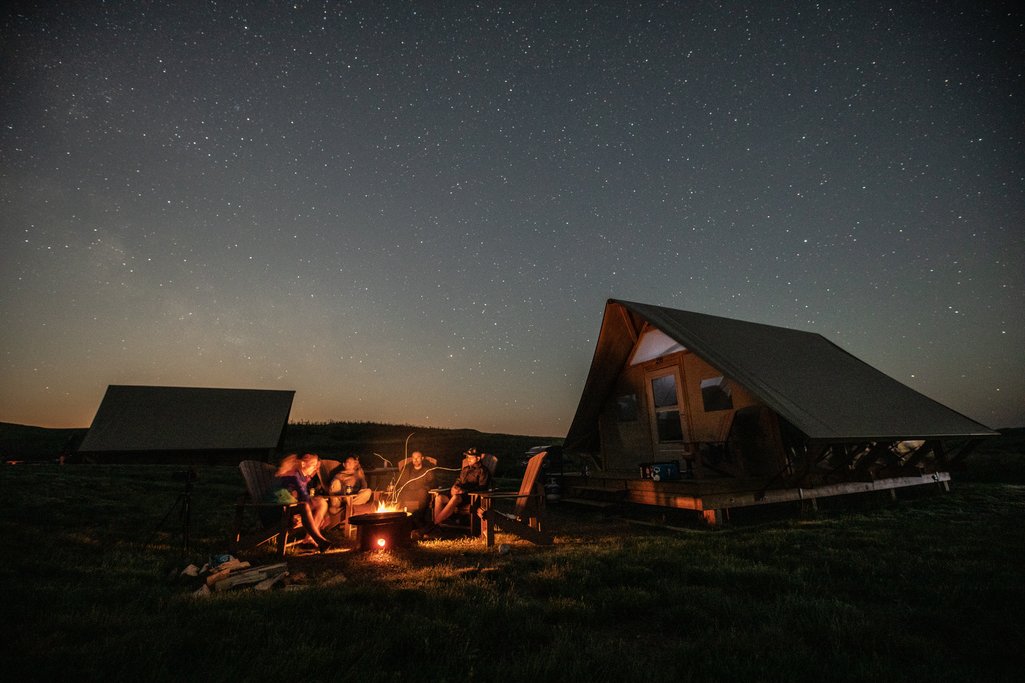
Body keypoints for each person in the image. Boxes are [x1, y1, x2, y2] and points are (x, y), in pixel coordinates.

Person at [263, 453, 334, 552]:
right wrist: (323, 515)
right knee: (305, 506)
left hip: (286, 507)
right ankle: (319, 541)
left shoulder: (300, 476)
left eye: (316, 465)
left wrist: (324, 513)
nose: (315, 468)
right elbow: (303, 497)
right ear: (303, 464)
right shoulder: (294, 476)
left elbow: (303, 490)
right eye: (313, 464)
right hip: (276, 511)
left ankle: (310, 539)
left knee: (320, 502)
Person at [432, 447, 491, 528]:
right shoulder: (465, 469)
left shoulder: (483, 471)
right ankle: (438, 525)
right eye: (467, 457)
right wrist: (454, 487)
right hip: (458, 495)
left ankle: (432, 525)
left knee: (455, 497)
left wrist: (464, 491)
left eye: (471, 457)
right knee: (439, 498)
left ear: (478, 458)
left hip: (470, 497)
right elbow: (458, 481)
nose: (468, 459)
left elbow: (483, 488)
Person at [394, 450, 436, 528]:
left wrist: (425, 488)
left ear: (422, 458)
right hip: (409, 494)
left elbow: (432, 483)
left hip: (421, 494)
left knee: (422, 493)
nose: (416, 460)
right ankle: (402, 522)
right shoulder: (407, 471)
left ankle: (417, 521)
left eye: (418, 458)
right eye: (414, 458)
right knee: (401, 496)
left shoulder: (427, 471)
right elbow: (401, 483)